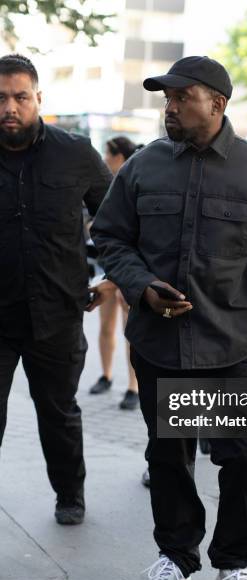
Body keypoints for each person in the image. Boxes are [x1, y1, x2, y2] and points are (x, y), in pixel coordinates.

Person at [91, 56, 247, 580]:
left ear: (218, 102)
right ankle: (176, 557)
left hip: (237, 350)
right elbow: (111, 238)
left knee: (243, 459)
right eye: (165, 97)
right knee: (168, 458)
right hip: (162, 346)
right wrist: (141, 288)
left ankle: (236, 567)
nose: (170, 107)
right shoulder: (143, 167)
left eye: (181, 97)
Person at [0, 54, 113, 526]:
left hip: (58, 314)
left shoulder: (76, 153)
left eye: (20, 97)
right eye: (1, 98)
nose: (10, 107)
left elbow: (117, 218)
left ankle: (70, 494)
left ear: (38, 98)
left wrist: (112, 277)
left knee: (59, 414)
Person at [89, 136, 143, 411]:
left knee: (128, 328)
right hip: (105, 266)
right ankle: (106, 375)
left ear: (118, 155)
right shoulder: (103, 182)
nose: (104, 157)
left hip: (128, 268)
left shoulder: (134, 179)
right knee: (105, 324)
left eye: (107, 153)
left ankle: (133, 387)